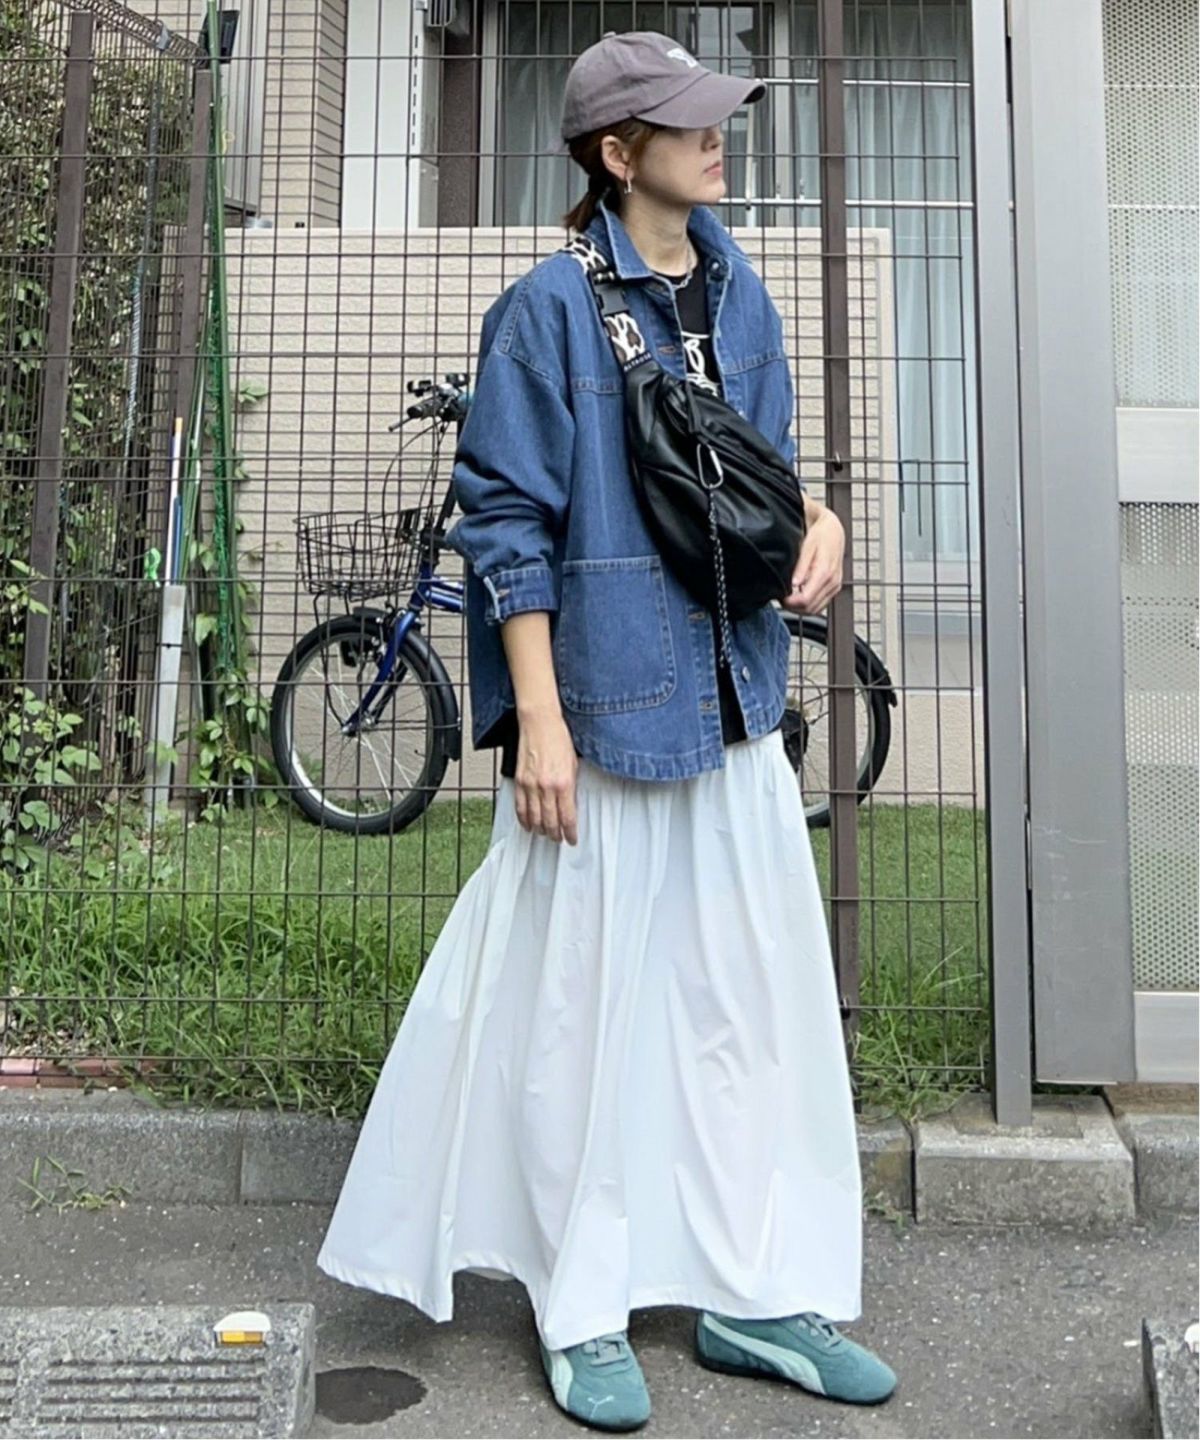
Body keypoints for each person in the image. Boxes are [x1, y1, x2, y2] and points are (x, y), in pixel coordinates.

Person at [315, 29, 897, 1430]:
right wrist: (542, 724)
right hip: (606, 715)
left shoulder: (740, 290)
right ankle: (582, 1304)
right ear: (617, 154)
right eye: (688, 123)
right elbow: (505, 526)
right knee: (581, 1020)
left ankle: (756, 1292)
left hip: (736, 702)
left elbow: (760, 477)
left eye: (716, 115)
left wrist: (817, 518)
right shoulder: (545, 312)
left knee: (741, 1011)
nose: (717, 137)